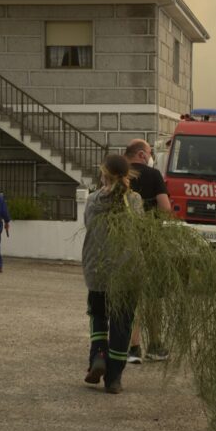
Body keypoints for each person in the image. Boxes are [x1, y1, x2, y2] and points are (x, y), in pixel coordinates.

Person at [82, 154, 144, 394]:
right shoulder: (134, 200)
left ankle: (98, 355)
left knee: (98, 315)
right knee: (122, 322)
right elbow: (140, 228)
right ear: (126, 176)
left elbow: (88, 224)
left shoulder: (92, 200)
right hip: (127, 271)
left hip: (97, 269)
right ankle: (114, 377)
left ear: (103, 174)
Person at [124, 139, 171, 363]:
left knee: (130, 294)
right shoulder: (153, 175)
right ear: (142, 154)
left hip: (124, 242)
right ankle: (154, 344)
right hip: (150, 242)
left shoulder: (119, 175)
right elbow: (165, 208)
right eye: (150, 152)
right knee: (153, 295)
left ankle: (132, 347)